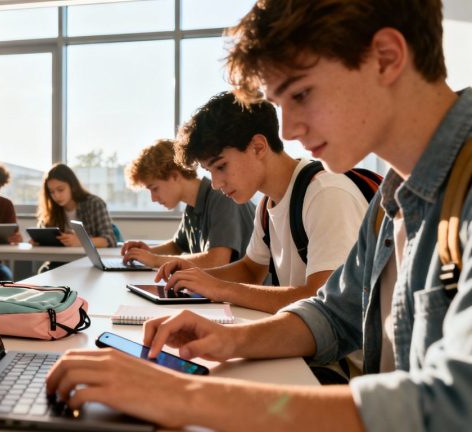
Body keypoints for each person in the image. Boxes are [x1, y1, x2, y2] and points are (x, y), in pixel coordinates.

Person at [47, 0, 472, 430]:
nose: (286, 131)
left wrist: (182, 395)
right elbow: (331, 314)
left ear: (386, 58)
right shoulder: (391, 202)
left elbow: (454, 405)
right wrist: (229, 339)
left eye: (301, 94)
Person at [156, 91, 369, 315]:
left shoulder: (325, 194)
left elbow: (322, 301)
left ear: (258, 147)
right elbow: (250, 270)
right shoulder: (267, 205)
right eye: (210, 172)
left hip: (346, 350)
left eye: (221, 166)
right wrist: (196, 274)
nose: (216, 183)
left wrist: (219, 288)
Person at [121, 139, 255, 269]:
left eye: (154, 188)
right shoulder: (193, 206)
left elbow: (217, 260)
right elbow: (177, 246)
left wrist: (155, 260)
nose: (153, 199)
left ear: (175, 176)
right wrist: (148, 252)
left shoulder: (222, 197)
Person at [37, 163, 116, 248]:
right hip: (60, 259)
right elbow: (43, 234)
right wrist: (39, 241)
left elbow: (110, 240)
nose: (56, 196)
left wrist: (81, 241)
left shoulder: (94, 203)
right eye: (51, 192)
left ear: (72, 186)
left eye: (60, 190)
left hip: (87, 259)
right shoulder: (51, 209)